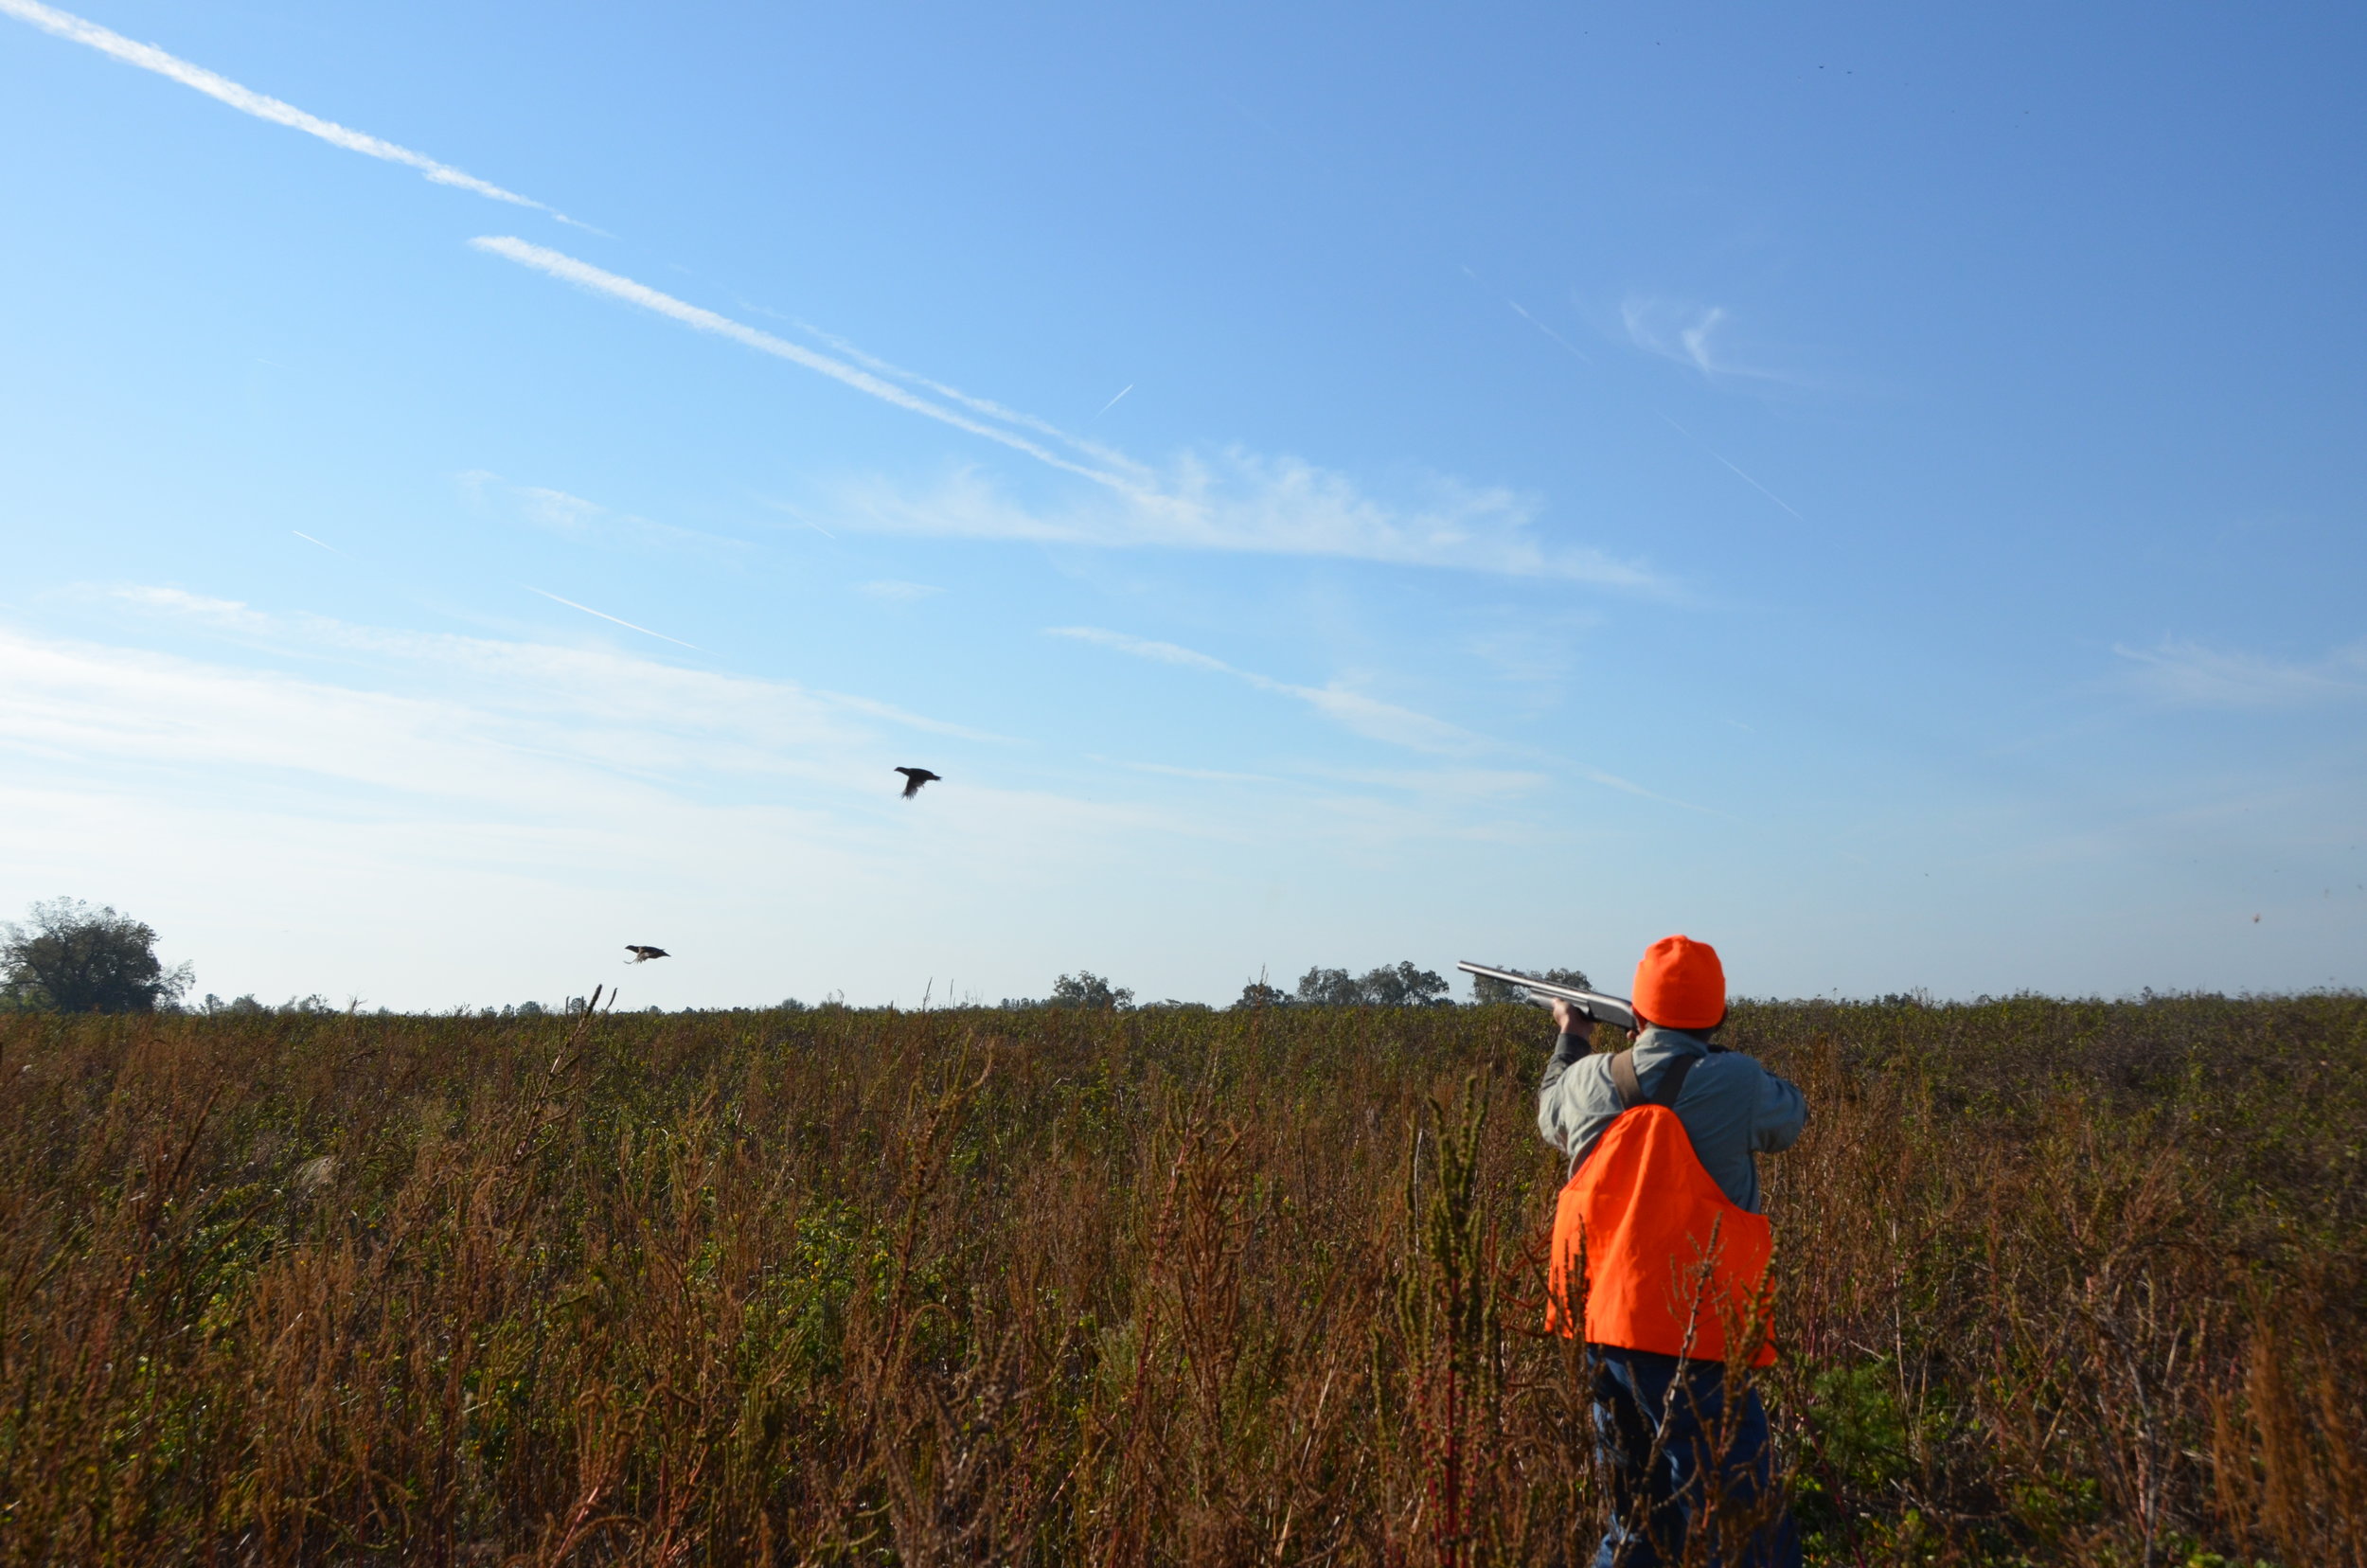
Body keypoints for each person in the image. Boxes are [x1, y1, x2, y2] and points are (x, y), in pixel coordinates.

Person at [1538, 935, 1807, 1568]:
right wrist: (1719, 1058)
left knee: (1637, 1521)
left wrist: (1571, 1035)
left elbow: (1549, 1111)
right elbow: (1790, 1117)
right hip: (1700, 1336)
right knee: (1745, 1524)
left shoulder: (1585, 1080)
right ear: (1718, 1019)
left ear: (1634, 1016)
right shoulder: (1738, 1081)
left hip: (1602, 1331)